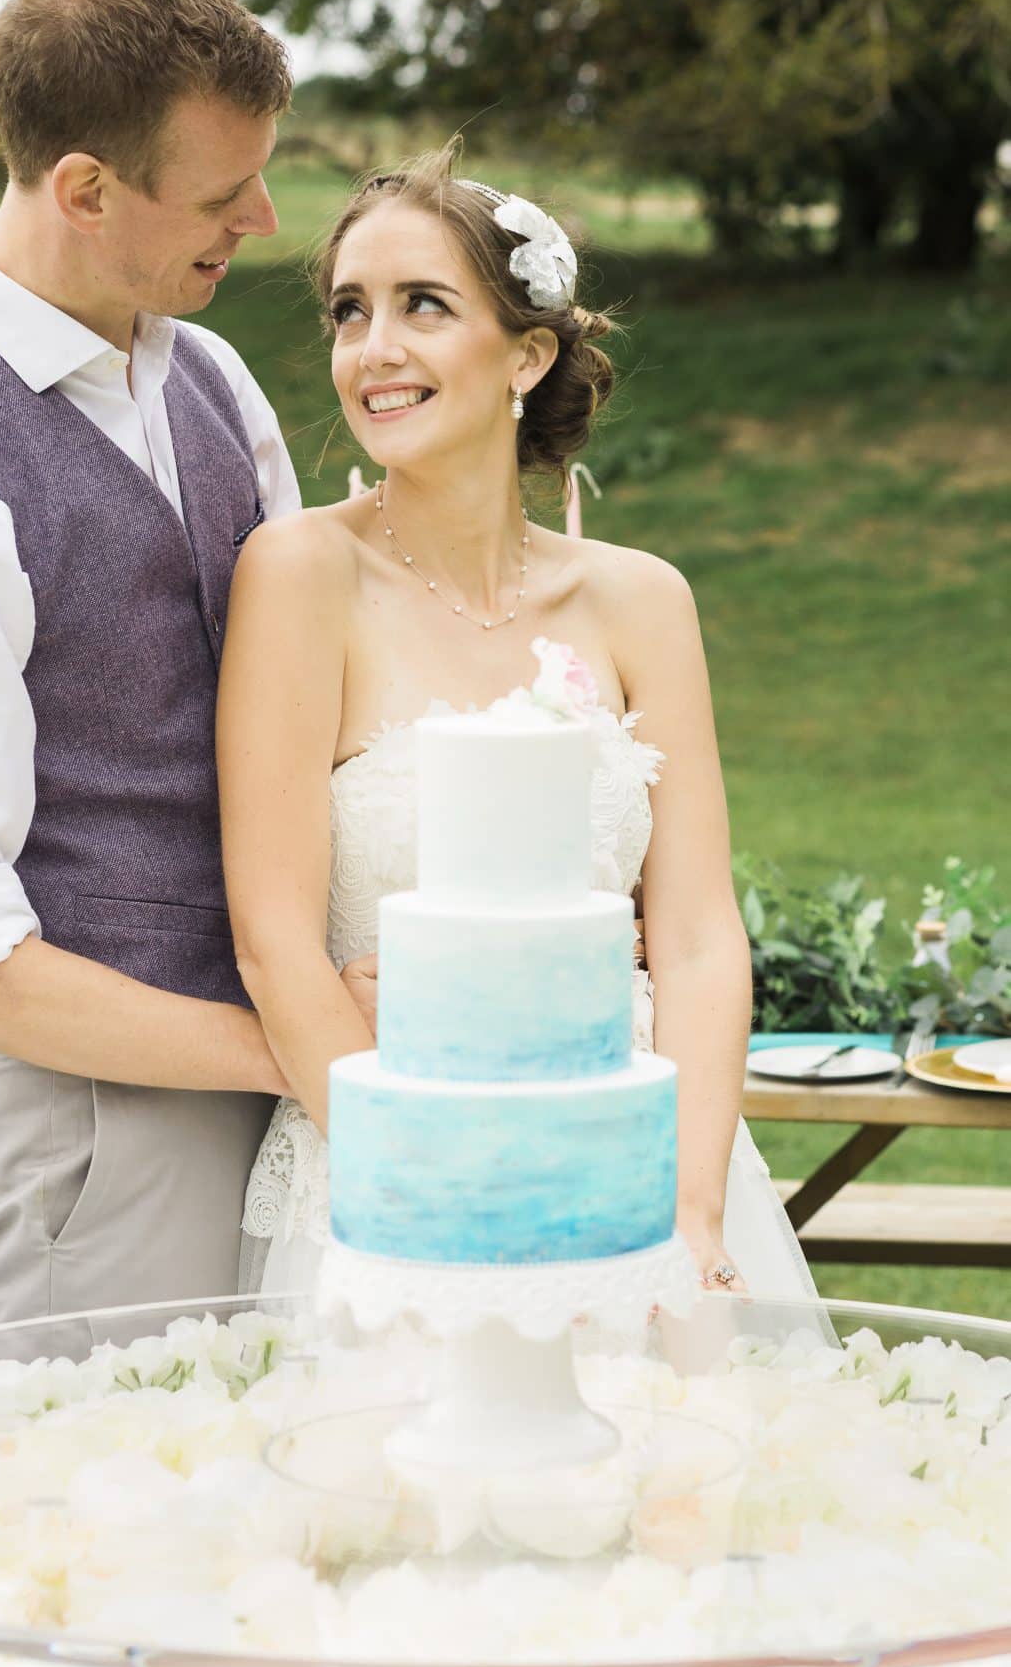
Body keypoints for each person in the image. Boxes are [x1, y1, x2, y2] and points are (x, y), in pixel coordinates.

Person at [0, 0, 371, 1329]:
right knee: (98, 1535)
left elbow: (311, 708)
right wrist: (303, 1049)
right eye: (218, 190)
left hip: (288, 1101)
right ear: (82, 189)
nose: (262, 217)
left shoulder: (211, 372)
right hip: (93, 1146)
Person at [219, 147, 820, 1305]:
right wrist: (448, 1196)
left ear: (528, 354)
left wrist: (684, 1211)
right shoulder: (299, 576)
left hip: (634, 1151)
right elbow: (274, 944)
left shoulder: (643, 601)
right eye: (351, 311)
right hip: (393, 1182)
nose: (373, 349)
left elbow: (696, 939)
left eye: (423, 307)